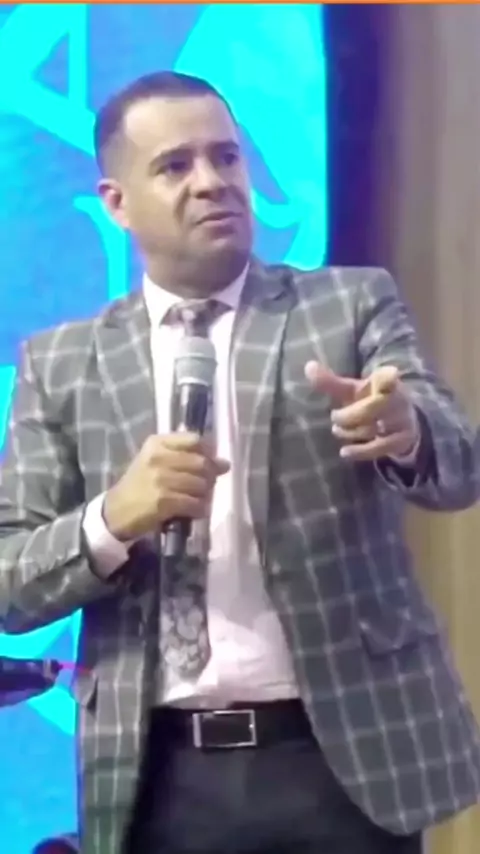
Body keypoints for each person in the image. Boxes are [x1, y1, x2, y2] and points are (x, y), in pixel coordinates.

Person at [0, 70, 479, 854]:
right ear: (116, 203)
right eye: (175, 165)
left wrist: (406, 431)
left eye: (225, 156)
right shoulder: (60, 363)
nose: (212, 181)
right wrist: (112, 519)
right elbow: (9, 583)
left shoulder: (347, 304)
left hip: (345, 756)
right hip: (158, 772)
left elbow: (461, 466)